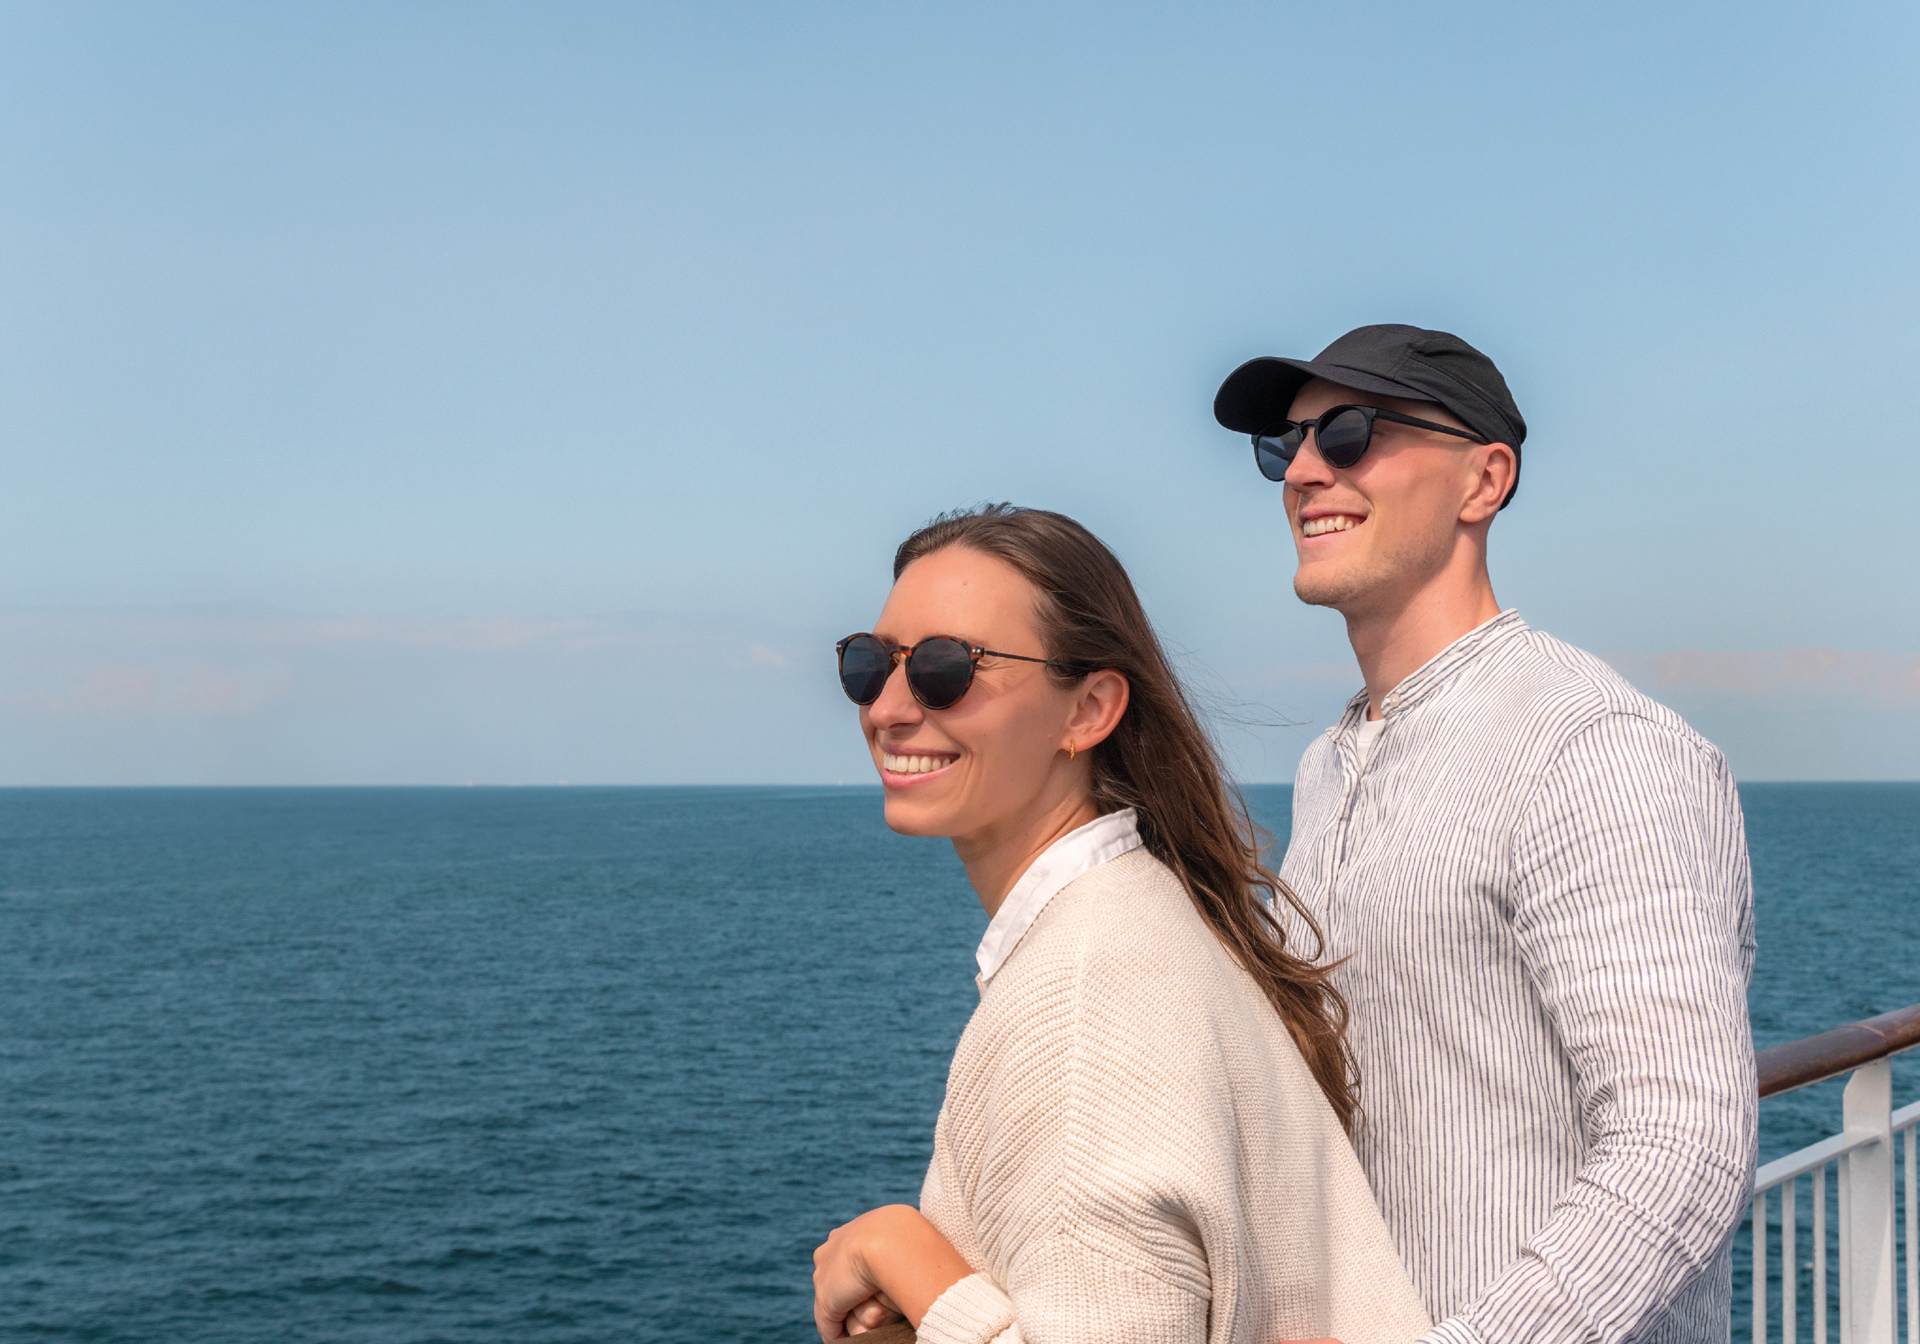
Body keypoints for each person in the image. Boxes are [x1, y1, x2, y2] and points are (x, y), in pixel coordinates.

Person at [1211, 325, 1757, 1344]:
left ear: (1484, 481)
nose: (1307, 470)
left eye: (1351, 430)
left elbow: (1683, 1143)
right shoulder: (1330, 762)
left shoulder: (1591, 748)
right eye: (1286, 446)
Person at [811, 504, 1433, 1344]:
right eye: (868, 664)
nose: (887, 706)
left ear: (1089, 709)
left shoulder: (1086, 998)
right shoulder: (1147, 923)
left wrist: (906, 1258)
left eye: (944, 668)